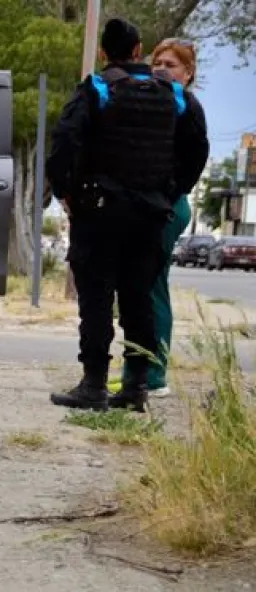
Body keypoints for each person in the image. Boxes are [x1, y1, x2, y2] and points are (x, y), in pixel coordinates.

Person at [46, 17, 209, 412]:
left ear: (104, 52)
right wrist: (171, 192)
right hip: (149, 215)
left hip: (99, 213)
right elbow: (197, 150)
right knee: (139, 298)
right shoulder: (176, 97)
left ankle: (94, 385)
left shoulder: (96, 89)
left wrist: (66, 191)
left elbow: (64, 143)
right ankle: (136, 386)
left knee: (97, 299)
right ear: (139, 51)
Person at [112, 38, 200, 400]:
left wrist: (165, 193)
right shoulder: (155, 103)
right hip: (146, 206)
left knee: (151, 290)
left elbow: (194, 159)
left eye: (171, 64)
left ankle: (154, 375)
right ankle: (134, 371)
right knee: (136, 290)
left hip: (167, 206)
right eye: (157, 63)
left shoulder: (186, 108)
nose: (161, 69)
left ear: (188, 73)